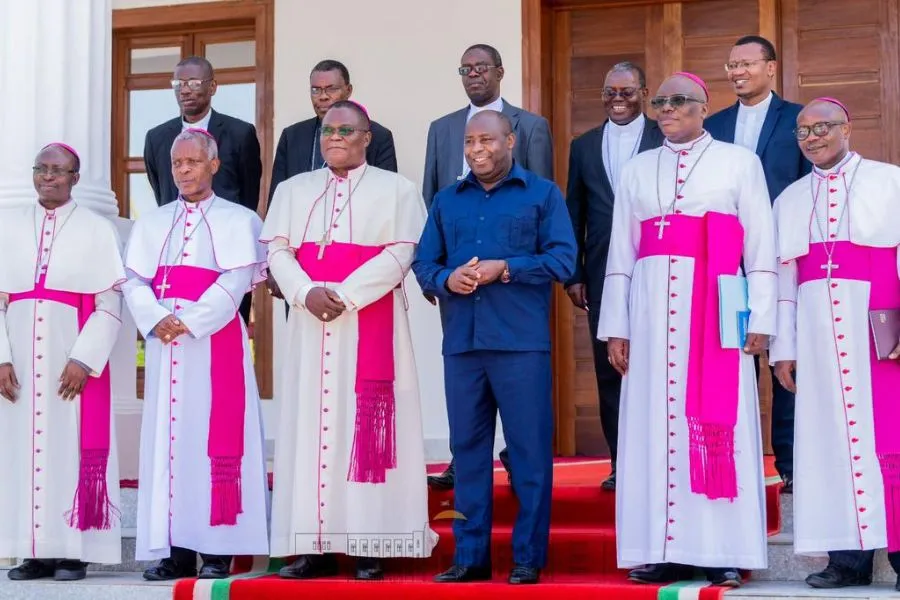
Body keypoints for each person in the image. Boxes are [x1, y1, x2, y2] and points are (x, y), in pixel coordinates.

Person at [598, 73, 777, 587]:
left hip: (716, 309)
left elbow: (760, 245)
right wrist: (617, 326)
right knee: (653, 427)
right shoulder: (637, 169)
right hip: (651, 316)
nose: (667, 109)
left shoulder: (739, 162)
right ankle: (661, 548)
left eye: (678, 101)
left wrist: (760, 319)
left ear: (704, 108)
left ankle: (722, 549)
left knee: (718, 424)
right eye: (661, 102)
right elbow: (620, 254)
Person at [262, 100, 436, 581]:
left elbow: (402, 253)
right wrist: (303, 291)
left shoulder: (397, 190)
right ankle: (311, 546)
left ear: (367, 138)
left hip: (367, 321)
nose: (334, 137)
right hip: (309, 323)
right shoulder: (295, 190)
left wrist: (343, 294)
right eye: (327, 130)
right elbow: (277, 249)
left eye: (346, 130)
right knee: (311, 430)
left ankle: (368, 544)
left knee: (364, 430)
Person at [413, 110, 576, 585]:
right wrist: (448, 278)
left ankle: (527, 557)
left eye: (487, 139)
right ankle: (471, 557)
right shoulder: (447, 201)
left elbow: (563, 260)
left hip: (520, 345)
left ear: (511, 141)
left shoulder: (543, 195)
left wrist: (504, 267)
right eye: (469, 142)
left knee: (528, 453)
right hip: (463, 344)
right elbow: (424, 263)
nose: (476, 149)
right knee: (466, 452)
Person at [123, 129, 269, 581]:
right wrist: (155, 318)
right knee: (171, 447)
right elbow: (132, 280)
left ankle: (219, 549)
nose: (184, 171)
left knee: (215, 443)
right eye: (177, 164)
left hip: (214, 344)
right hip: (166, 350)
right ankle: (176, 551)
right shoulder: (152, 222)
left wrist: (191, 320)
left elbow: (238, 278)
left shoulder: (240, 221)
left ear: (214, 164)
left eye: (192, 162)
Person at [770, 97, 900, 592]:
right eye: (804, 131)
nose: (813, 138)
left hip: (878, 334)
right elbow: (782, 282)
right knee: (829, 447)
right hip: (819, 340)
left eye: (823, 128)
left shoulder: (890, 181)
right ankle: (846, 561)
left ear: (847, 128)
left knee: (889, 442)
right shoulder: (789, 199)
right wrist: (784, 348)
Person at [424, 43, 554, 489]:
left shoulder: (532, 127)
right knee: (468, 420)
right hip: (460, 300)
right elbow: (432, 202)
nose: (473, 74)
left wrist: (510, 266)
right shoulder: (441, 129)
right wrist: (440, 277)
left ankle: (517, 460)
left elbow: (542, 209)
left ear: (499, 72)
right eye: (465, 68)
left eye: (482, 67)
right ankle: (466, 467)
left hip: (517, 309)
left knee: (525, 424)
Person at [0, 143, 126, 581]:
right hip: (17, 363)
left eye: (58, 170)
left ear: (76, 177)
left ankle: (74, 551)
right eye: (41, 169)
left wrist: (84, 360)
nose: (48, 177)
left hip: (69, 362)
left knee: (69, 451)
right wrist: (0, 358)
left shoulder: (95, 229)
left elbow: (110, 304)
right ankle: (33, 551)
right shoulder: (8, 227)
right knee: (24, 453)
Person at [705, 35, 810, 491]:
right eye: (731, 65)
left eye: (747, 63)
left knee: (785, 358)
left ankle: (790, 464)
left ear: (771, 67)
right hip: (729, 264)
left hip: (784, 258)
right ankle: (740, 460)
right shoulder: (713, 125)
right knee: (732, 359)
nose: (738, 72)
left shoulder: (798, 120)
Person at [564, 61, 663, 491]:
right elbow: (575, 212)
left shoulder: (666, 136)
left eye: (626, 91)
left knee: (661, 363)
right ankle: (621, 463)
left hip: (659, 268)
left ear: (643, 91)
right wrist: (573, 273)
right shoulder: (583, 145)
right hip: (604, 273)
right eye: (609, 92)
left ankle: (661, 462)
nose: (617, 100)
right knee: (611, 370)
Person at [143, 55, 262, 324]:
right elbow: (161, 187)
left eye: (194, 82)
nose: (185, 89)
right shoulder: (157, 137)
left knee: (227, 325)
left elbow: (248, 194)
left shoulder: (240, 133)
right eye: (179, 83)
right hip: (174, 246)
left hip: (224, 251)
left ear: (213, 87)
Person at [269, 59, 397, 202]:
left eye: (331, 89)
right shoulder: (292, 136)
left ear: (348, 90)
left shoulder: (378, 135)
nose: (323, 96)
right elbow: (277, 199)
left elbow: (388, 193)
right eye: (316, 90)